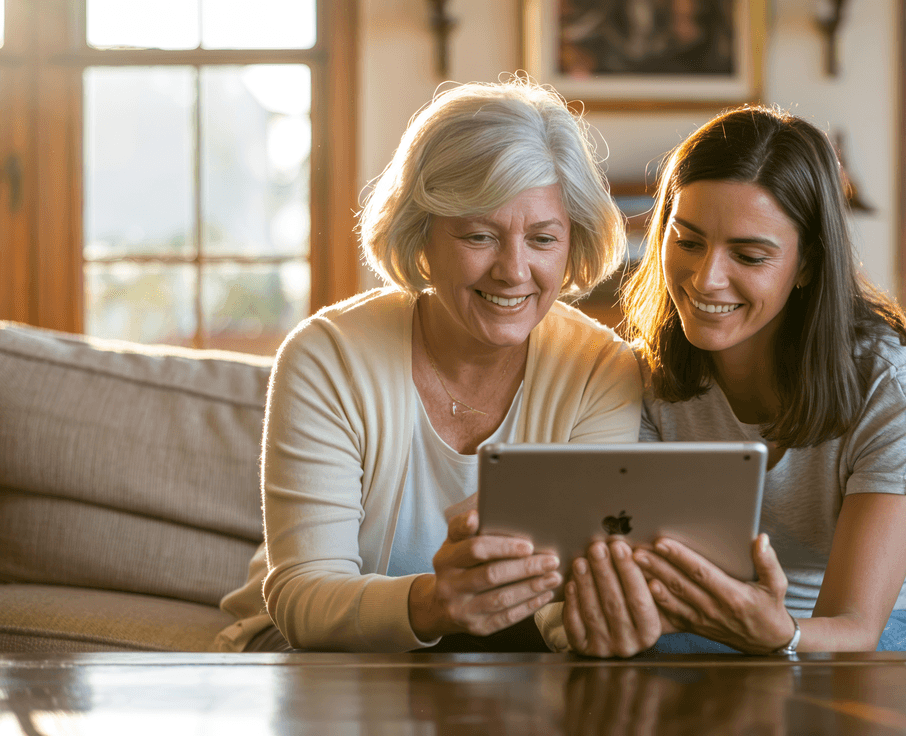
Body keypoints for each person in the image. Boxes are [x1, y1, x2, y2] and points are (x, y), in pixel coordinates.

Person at [212, 79, 642, 653]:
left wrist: (604, 625)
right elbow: (303, 598)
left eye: (542, 239)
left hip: (506, 661)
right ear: (423, 235)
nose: (514, 271)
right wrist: (435, 604)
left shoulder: (599, 370)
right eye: (480, 236)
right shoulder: (327, 356)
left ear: (573, 244)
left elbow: (570, 600)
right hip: (315, 653)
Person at [557, 106, 906, 657]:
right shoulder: (643, 378)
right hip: (735, 626)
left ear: (807, 264)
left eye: (748, 254)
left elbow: (854, 626)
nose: (706, 278)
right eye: (688, 242)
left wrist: (782, 634)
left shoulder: (890, 384)